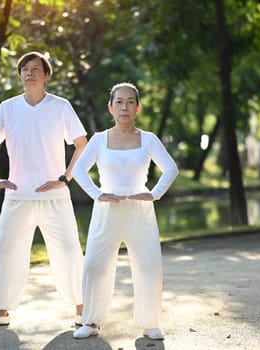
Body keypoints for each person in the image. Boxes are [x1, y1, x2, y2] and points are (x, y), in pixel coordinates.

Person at [0, 51, 87, 329]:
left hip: (55, 196)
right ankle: (0, 313)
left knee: (69, 250)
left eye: (35, 69)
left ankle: (83, 311)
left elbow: (82, 143)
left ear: (46, 75)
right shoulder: (8, 108)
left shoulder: (60, 107)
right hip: (17, 195)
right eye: (24, 69)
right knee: (4, 249)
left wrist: (65, 178)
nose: (29, 73)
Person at [71, 82, 178, 340]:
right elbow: (77, 170)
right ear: (111, 107)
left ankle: (150, 323)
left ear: (138, 108)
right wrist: (98, 193)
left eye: (130, 102)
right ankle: (91, 322)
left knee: (148, 265)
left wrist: (153, 194)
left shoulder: (149, 139)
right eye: (119, 102)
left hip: (140, 209)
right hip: (106, 208)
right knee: (95, 265)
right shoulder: (98, 140)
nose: (125, 107)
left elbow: (171, 168)